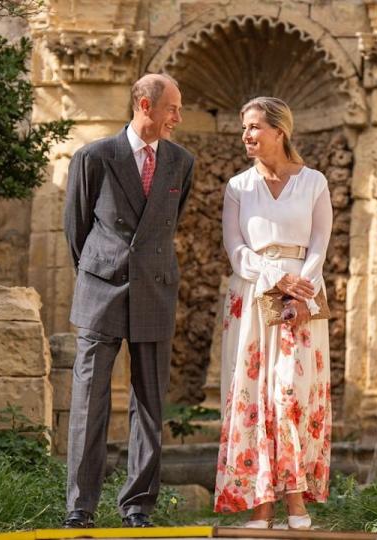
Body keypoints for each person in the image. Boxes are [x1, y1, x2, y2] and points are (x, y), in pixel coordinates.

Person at [61, 73, 194, 529]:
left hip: (155, 289)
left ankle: (137, 507)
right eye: (172, 108)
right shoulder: (94, 156)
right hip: (102, 290)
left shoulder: (181, 162)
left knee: (151, 404)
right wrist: (104, 268)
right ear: (145, 105)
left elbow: (164, 226)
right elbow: (76, 230)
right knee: (89, 402)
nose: (178, 116)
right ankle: (81, 508)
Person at [213, 97, 333, 530]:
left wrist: (302, 292)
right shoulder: (238, 187)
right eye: (245, 127)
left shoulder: (314, 182)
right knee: (255, 394)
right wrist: (274, 279)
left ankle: (297, 500)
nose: (247, 135)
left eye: (255, 127)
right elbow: (235, 248)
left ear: (280, 131)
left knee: (292, 394)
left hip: (303, 294)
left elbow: (320, 242)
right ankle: (261, 506)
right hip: (253, 296)